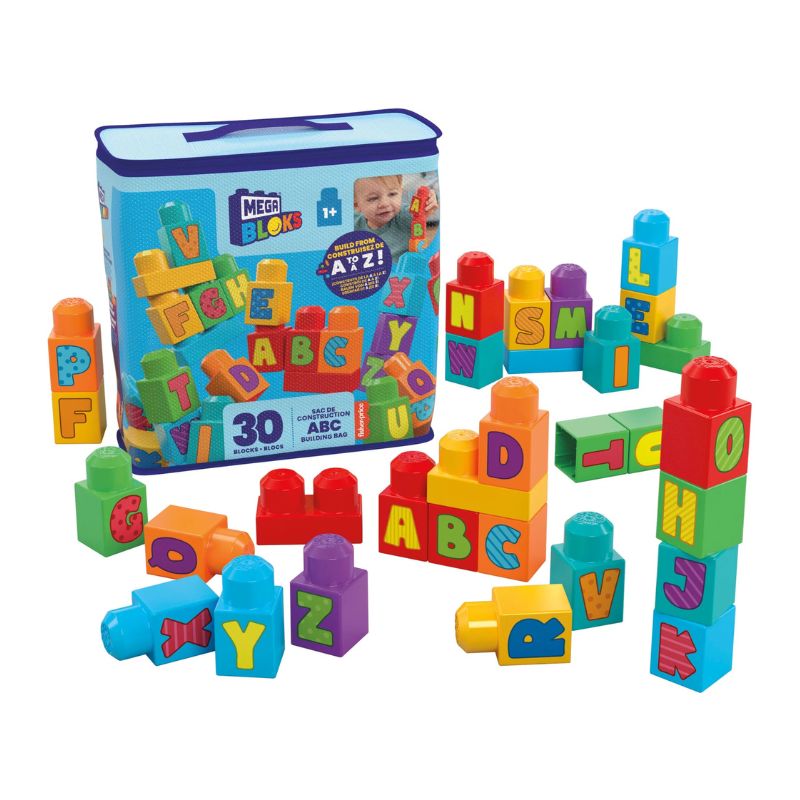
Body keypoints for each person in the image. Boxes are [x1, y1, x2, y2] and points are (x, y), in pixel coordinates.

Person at [353, 174, 438, 260]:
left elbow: (420, 212)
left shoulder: (405, 216)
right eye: (373, 198)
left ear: (401, 193)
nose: (385, 203)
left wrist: (429, 201)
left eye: (392, 194)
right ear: (356, 205)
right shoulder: (354, 225)